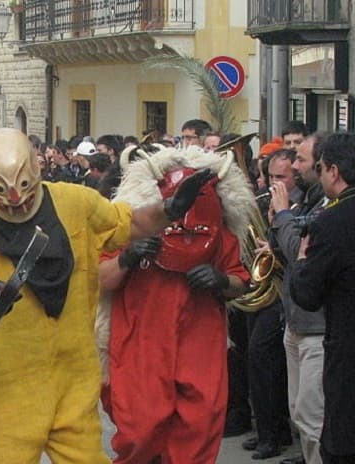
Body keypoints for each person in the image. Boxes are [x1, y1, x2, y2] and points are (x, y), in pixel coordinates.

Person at [0, 128, 214, 462]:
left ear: (36, 170)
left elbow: (130, 224)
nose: (16, 201)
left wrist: (170, 209)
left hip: (72, 381)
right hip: (5, 391)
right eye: (3, 192)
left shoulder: (75, 202)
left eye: (23, 188)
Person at [99, 145, 252, 463]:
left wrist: (220, 280)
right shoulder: (127, 229)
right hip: (140, 339)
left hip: (200, 338)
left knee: (201, 421)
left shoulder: (222, 235)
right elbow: (98, 280)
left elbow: (240, 281)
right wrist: (128, 256)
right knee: (141, 428)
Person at [291, 132, 355, 464]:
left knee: (349, 449)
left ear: (333, 171)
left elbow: (307, 295)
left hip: (352, 360)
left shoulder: (330, 222)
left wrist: (302, 261)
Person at [268, 133, 327, 464]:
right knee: (301, 414)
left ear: (323, 166)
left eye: (301, 160)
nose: (295, 166)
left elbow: (299, 254)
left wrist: (282, 216)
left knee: (314, 417)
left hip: (316, 326)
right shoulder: (306, 200)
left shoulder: (325, 207)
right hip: (296, 321)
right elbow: (285, 250)